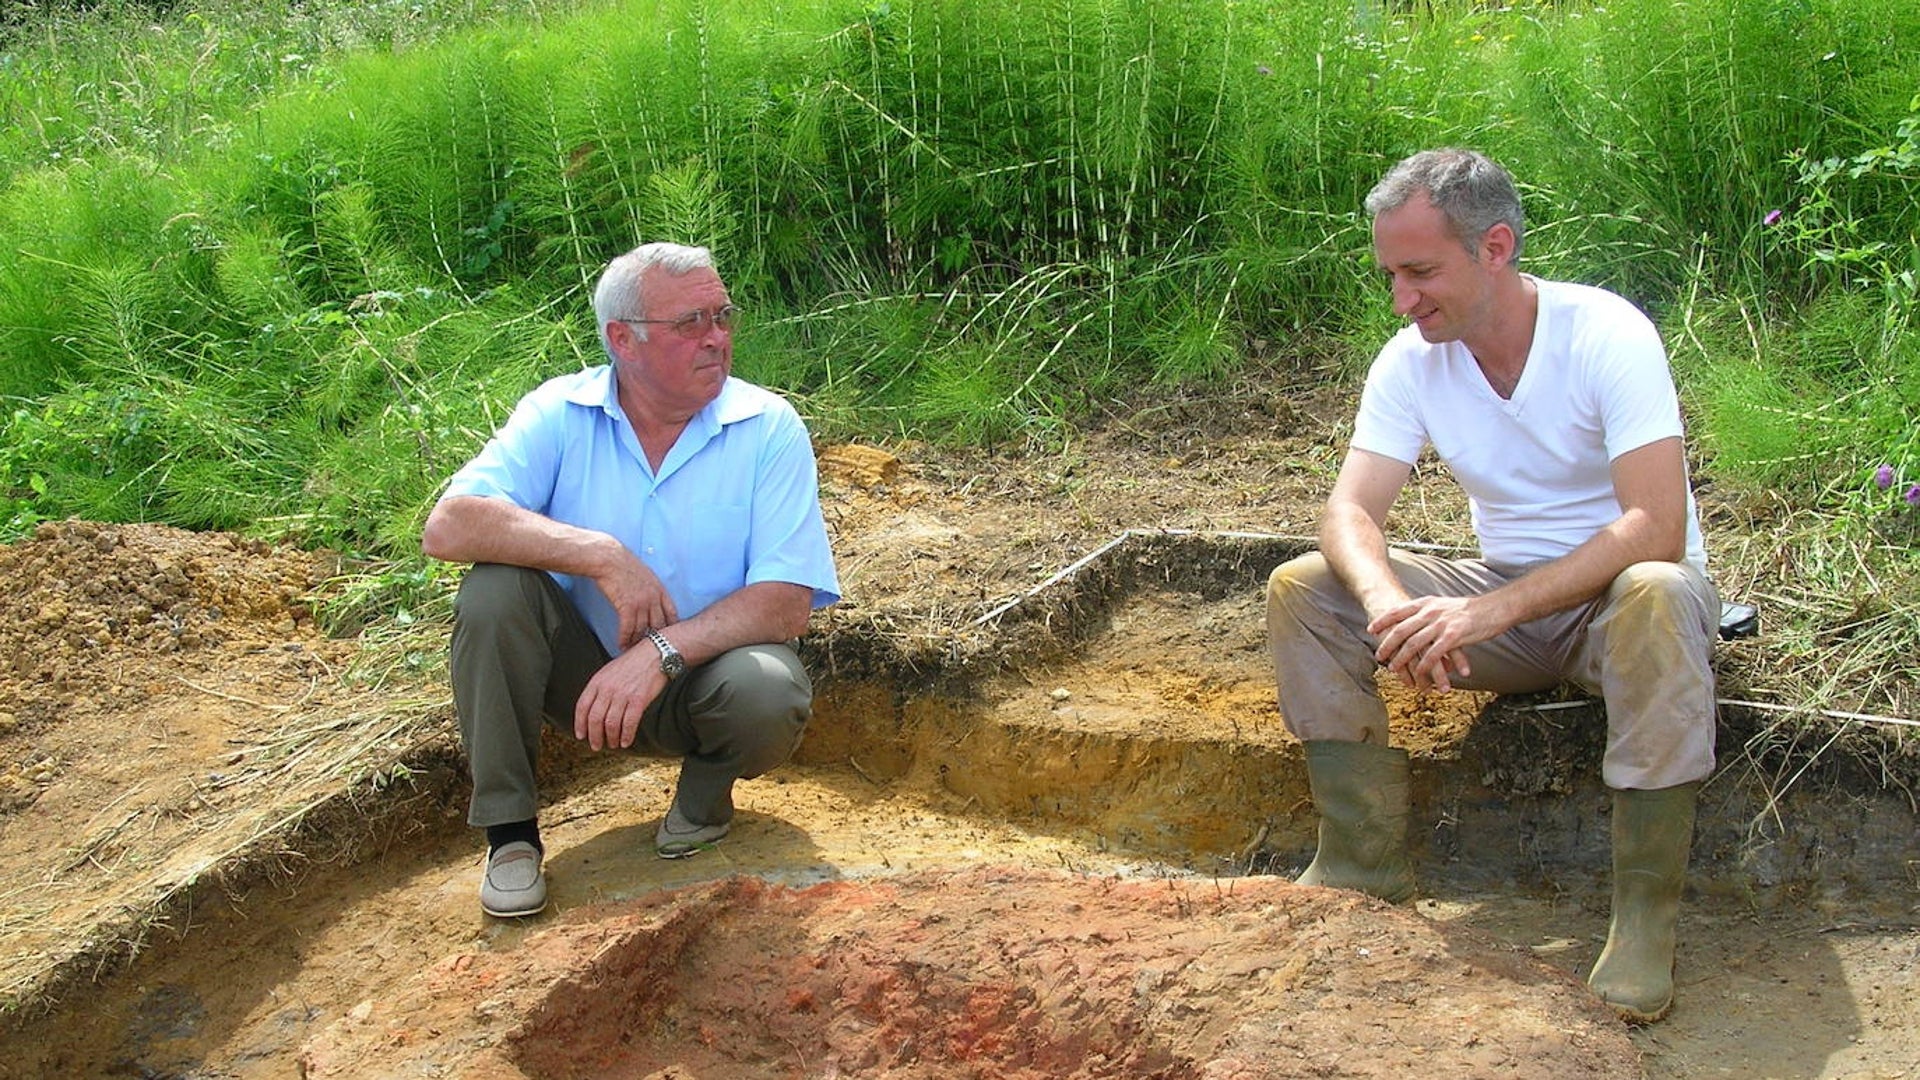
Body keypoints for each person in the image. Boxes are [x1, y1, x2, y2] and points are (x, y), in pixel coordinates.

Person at [1265, 148, 1718, 1023]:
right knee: (1306, 588)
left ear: (1496, 247)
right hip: (1507, 606)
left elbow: (1652, 526)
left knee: (1660, 589)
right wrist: (1388, 607)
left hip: (1623, 606)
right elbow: (1349, 513)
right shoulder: (1411, 361)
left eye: (1421, 272)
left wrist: (1489, 610)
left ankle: (1643, 923)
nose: (1402, 299)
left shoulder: (1606, 332)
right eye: (1390, 274)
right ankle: (1361, 858)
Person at [421, 241, 840, 919]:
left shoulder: (767, 427)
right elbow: (449, 526)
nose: (717, 339)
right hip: (577, 679)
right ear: (623, 340)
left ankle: (703, 800)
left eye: (723, 316)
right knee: (494, 590)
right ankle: (511, 837)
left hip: (702, 683)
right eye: (690, 324)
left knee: (770, 686)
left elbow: (787, 602)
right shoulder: (559, 413)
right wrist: (602, 555)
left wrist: (659, 653)